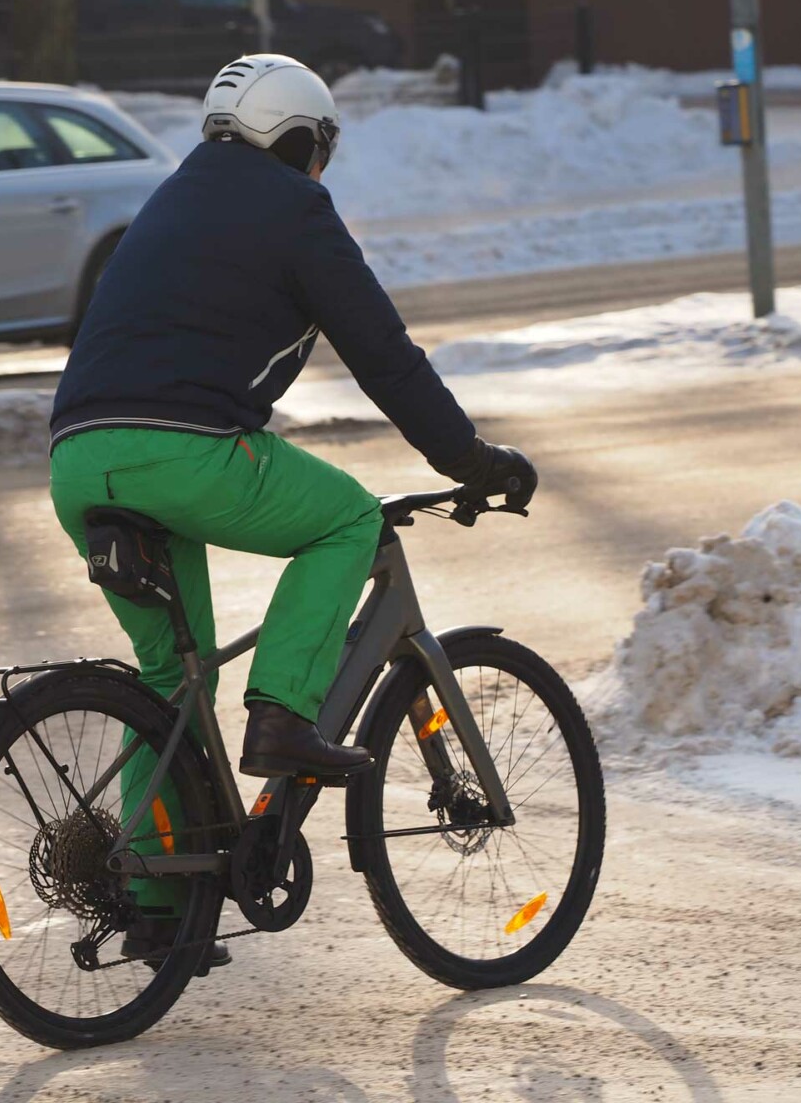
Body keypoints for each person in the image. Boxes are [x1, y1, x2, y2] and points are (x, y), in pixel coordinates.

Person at [48, 54, 535, 965]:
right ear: (301, 141)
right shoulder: (294, 209)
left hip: (79, 459)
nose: (321, 170)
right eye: (320, 151)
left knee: (168, 680)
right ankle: (282, 718)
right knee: (349, 519)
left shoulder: (170, 200)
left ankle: (159, 905)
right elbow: (386, 358)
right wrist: (471, 460)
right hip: (179, 450)